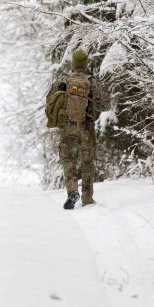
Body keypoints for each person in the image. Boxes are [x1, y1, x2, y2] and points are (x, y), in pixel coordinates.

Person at [46, 48, 108, 209]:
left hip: (67, 126)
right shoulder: (91, 81)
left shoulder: (64, 79)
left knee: (68, 160)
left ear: (73, 63)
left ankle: (72, 191)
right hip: (86, 127)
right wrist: (92, 107)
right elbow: (106, 105)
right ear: (85, 64)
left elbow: (49, 100)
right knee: (87, 162)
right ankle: (87, 198)